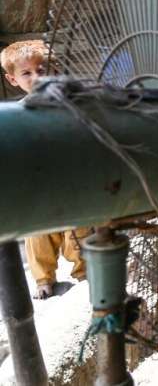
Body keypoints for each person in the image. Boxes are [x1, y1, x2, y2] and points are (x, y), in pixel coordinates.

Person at [1, 40, 91, 299]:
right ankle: (44, 279)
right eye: (26, 73)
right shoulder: (16, 113)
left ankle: (83, 272)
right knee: (38, 233)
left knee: (78, 229)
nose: (36, 77)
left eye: (42, 70)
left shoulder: (68, 104)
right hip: (38, 185)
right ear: (13, 79)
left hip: (70, 181)